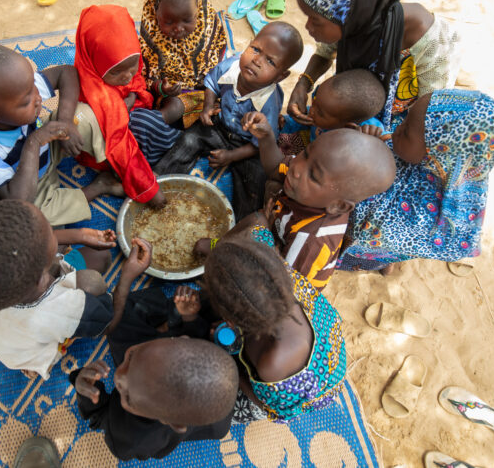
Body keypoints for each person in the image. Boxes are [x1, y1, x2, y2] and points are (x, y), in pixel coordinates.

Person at [198, 113, 395, 291]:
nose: (297, 168)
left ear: (339, 206)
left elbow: (284, 290)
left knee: (256, 222)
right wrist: (266, 137)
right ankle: (222, 246)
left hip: (286, 277)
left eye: (314, 176)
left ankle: (223, 256)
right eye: (306, 153)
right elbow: (276, 168)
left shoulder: (311, 243)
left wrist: (263, 238)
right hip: (281, 229)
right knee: (263, 204)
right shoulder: (309, 172)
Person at [288, 0, 461, 134]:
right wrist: (304, 84)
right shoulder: (357, 20)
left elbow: (429, 116)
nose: (308, 27)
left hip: (403, 123)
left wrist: (378, 136)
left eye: (315, 20)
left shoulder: (430, 42)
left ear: (352, 15)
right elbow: (325, 53)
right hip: (360, 106)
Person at [0, 40, 122, 226]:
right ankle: (98, 187)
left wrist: (65, 121)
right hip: (28, 183)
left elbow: (66, 72)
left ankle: (112, 159)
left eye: (33, 86)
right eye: (25, 102)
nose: (37, 98)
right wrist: (34, 142)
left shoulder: (17, 88)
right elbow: (18, 200)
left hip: (49, 144)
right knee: (29, 217)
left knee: (83, 116)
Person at [0, 200, 123, 379]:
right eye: (50, 232)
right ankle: (41, 364)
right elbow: (108, 321)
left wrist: (77, 236)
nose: (55, 232)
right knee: (95, 273)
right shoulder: (64, 310)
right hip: (33, 347)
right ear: (41, 271)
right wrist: (129, 274)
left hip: (5, 333)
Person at [336, 89, 494, 273]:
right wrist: (372, 141)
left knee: (354, 254)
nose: (397, 128)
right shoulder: (442, 171)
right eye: (405, 120)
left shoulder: (420, 222)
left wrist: (365, 152)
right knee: (385, 255)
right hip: (388, 248)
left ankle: (376, 263)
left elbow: (354, 211)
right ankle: (385, 264)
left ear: (436, 155)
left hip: (363, 247)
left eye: (406, 131)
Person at [153, 22, 303, 219]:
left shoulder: (270, 102)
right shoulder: (231, 66)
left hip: (248, 145)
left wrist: (231, 156)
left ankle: (242, 225)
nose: (257, 60)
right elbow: (211, 84)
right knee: (189, 139)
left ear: (281, 76)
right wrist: (207, 107)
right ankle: (157, 181)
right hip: (220, 128)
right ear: (249, 44)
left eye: (270, 62)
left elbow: (262, 144)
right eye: (255, 49)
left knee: (256, 181)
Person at [201, 231, 346, 423]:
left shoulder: (272, 364)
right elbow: (259, 227)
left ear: (231, 320)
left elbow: (269, 407)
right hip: (324, 355)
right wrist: (214, 247)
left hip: (300, 394)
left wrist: (228, 361)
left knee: (215, 405)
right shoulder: (281, 277)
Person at [72, 336, 237, 461]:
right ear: (178, 338)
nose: (118, 377)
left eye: (128, 398)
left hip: (215, 427)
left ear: (169, 421)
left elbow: (98, 418)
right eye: (131, 357)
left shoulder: (129, 439)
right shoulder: (187, 349)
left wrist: (84, 390)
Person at [128, 0, 228, 163]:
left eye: (187, 20)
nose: (178, 29)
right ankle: (161, 129)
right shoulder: (150, 38)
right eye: (168, 21)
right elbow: (145, 79)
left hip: (204, 95)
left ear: (198, 10)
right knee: (169, 102)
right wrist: (162, 87)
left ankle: (156, 127)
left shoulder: (208, 28)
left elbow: (219, 70)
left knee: (220, 107)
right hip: (168, 98)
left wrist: (206, 88)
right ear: (154, 13)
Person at [74, 5, 167, 208]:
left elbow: (136, 82)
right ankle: (120, 175)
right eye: (117, 73)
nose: (127, 76)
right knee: (140, 136)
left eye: (132, 66)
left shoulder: (122, 66)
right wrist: (148, 189)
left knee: (150, 123)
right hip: (107, 140)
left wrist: (132, 98)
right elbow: (120, 145)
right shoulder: (99, 94)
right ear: (93, 61)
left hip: (120, 118)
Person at [279, 69, 387, 155]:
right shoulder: (325, 109)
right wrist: (287, 121)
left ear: (347, 127)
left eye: (320, 113)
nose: (311, 111)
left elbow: (384, 146)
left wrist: (373, 142)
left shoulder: (365, 134)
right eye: (314, 101)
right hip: (311, 146)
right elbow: (305, 116)